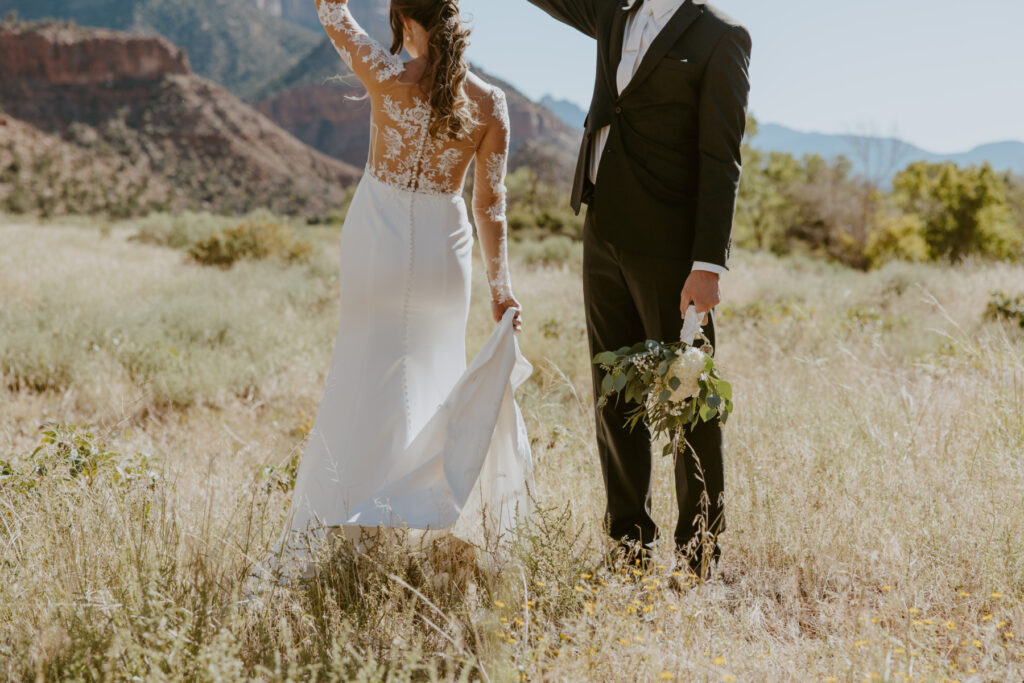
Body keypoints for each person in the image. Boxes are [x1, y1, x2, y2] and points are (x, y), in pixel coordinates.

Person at [274, 0, 533, 571]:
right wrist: (501, 288)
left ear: (405, 24)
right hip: (446, 253)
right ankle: (416, 511)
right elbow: (490, 206)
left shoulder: (385, 74)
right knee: (437, 377)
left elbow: (329, 9)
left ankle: (346, 521)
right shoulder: (491, 104)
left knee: (363, 375)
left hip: (377, 243)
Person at [524, 0, 751, 576]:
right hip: (601, 232)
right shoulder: (613, 12)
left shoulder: (720, 35)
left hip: (672, 253)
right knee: (612, 396)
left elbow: (721, 158)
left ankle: (699, 556)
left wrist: (708, 265)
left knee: (688, 405)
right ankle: (629, 550)